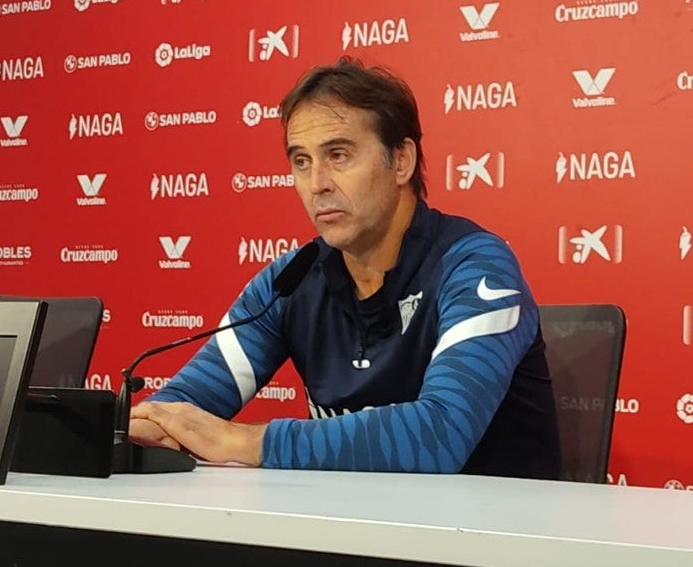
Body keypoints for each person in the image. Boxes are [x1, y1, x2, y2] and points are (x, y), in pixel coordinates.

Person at [130, 58, 559, 478]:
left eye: (338, 155)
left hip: (484, 542)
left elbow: (441, 434)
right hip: (350, 535)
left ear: (402, 162)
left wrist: (245, 442)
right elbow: (186, 406)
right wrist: (144, 426)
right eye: (301, 161)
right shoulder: (290, 282)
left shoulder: (475, 266)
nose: (317, 183)